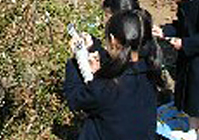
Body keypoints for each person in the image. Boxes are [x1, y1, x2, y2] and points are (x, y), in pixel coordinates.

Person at [64, 10, 163, 140]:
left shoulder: (108, 85)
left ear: (112, 39)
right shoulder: (150, 70)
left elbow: (75, 100)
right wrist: (93, 47)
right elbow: (121, 60)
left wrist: (76, 60)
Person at [153, 0, 199, 135]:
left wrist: (185, 43)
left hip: (198, 57)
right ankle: (193, 129)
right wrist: (165, 30)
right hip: (192, 57)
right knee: (191, 100)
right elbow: (183, 25)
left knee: (198, 101)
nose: (170, 0)